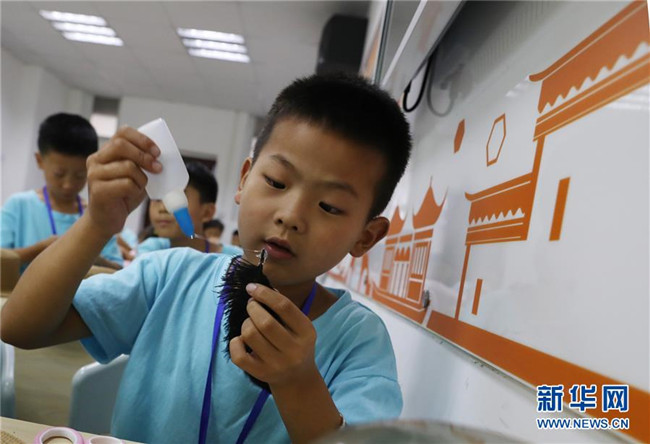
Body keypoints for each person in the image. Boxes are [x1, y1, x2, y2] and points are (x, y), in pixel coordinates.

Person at [1, 73, 412, 444]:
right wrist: (95, 223)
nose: (291, 215)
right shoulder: (172, 275)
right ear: (244, 179)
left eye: (330, 206)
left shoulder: (358, 340)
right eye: (276, 182)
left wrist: (297, 381)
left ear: (366, 236)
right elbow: (19, 326)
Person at [0, 113, 122, 271]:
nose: (68, 185)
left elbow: (118, 270)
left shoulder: (97, 215)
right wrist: (39, 249)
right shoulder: (19, 206)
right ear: (39, 161)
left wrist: (91, 256)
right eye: (59, 174)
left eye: (80, 175)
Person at [137, 162, 241, 256]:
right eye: (158, 198)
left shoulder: (234, 260)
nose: (162, 208)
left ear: (207, 212)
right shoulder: (149, 252)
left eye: (177, 198)